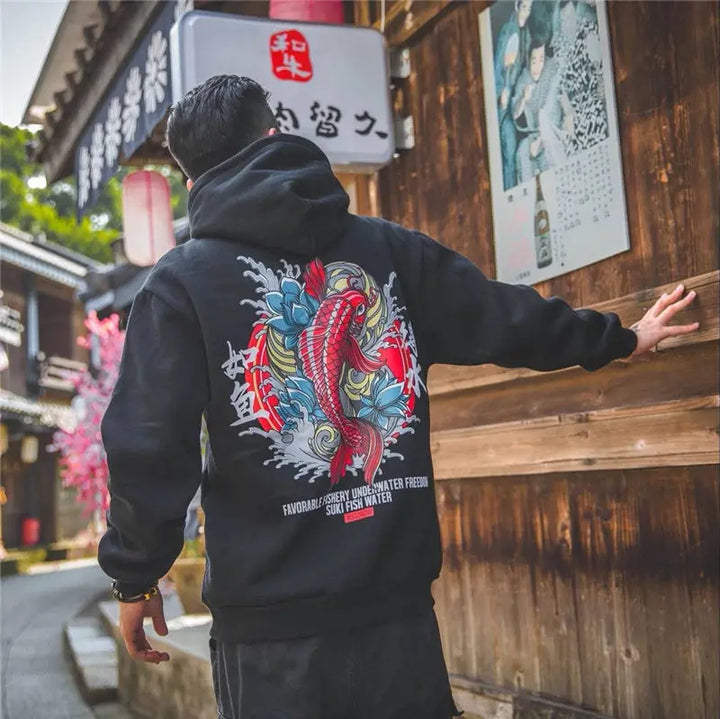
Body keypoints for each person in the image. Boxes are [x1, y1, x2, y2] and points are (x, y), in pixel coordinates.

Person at [98, 75, 699, 719]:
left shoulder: (178, 285)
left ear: (192, 183)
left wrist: (136, 577)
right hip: (398, 622)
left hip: (271, 640)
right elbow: (509, 319)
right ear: (275, 135)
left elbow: (148, 445)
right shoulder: (390, 250)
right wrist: (622, 339)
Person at [513, 34, 575, 182]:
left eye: (541, 60)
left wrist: (568, 115)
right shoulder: (524, 80)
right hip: (533, 135)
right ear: (528, 59)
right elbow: (516, 114)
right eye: (534, 61)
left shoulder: (551, 69)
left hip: (553, 130)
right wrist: (523, 99)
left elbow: (556, 106)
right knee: (523, 155)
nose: (538, 66)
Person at [493, 0, 533, 191]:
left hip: (516, 100)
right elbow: (498, 70)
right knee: (509, 149)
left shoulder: (526, 34)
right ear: (517, 7)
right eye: (524, 6)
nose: (526, 11)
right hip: (504, 104)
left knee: (517, 151)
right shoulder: (508, 33)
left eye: (530, 8)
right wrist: (501, 93)